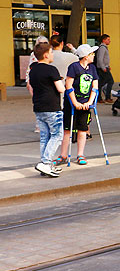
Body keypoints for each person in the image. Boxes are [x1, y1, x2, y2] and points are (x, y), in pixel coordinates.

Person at [28, 42, 65, 177]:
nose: (52, 54)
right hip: (52, 107)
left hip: (38, 107)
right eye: (51, 52)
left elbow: (32, 86)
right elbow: (60, 89)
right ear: (45, 55)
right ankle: (46, 162)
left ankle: (46, 165)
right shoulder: (51, 69)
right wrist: (64, 84)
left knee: (45, 136)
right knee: (57, 135)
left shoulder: (33, 70)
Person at [60, 44, 99, 166]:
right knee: (68, 129)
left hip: (85, 103)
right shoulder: (74, 67)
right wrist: (75, 102)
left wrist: (89, 102)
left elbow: (95, 87)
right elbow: (68, 86)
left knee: (83, 128)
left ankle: (80, 154)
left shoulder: (92, 68)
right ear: (86, 56)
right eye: (92, 54)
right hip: (71, 103)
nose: (94, 56)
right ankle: (63, 155)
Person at [95, 34, 114, 103]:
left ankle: (99, 98)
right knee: (110, 81)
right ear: (103, 40)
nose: (109, 41)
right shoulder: (102, 48)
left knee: (100, 83)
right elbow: (100, 59)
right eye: (108, 39)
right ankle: (107, 97)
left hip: (104, 67)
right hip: (102, 68)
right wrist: (103, 67)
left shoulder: (104, 47)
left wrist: (107, 65)